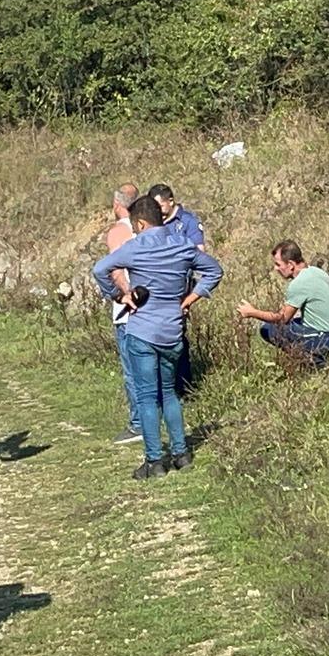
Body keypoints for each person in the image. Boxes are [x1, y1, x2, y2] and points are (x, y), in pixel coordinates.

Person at [92, 197, 223, 479]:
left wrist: (118, 295)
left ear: (140, 223)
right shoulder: (181, 244)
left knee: (147, 397)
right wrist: (190, 299)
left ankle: (154, 461)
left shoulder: (135, 247)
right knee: (169, 393)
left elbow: (100, 269)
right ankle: (181, 453)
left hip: (142, 331)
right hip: (172, 329)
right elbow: (214, 270)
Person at [237, 239, 329, 367]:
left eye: (278, 264)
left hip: (323, 338)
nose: (275, 268)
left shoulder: (299, 283)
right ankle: (318, 352)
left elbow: (282, 318)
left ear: (290, 264)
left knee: (269, 329)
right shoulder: (316, 272)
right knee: (295, 322)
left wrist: (252, 312)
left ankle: (314, 362)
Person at [148, 183, 204, 393]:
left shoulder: (187, 222)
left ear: (170, 202)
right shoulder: (153, 223)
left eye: (160, 206)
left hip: (180, 286)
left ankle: (183, 385)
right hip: (156, 286)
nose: (158, 212)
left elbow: (199, 253)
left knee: (177, 335)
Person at [106, 183, 144, 445]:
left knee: (132, 369)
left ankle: (138, 423)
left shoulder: (118, 232)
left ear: (117, 204)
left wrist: (123, 295)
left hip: (129, 308)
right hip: (153, 304)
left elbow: (116, 270)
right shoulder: (151, 228)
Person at [148, 183, 206, 251]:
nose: (157, 211)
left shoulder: (189, 221)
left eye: (160, 207)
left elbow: (199, 251)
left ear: (170, 201)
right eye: (153, 208)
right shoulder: (151, 222)